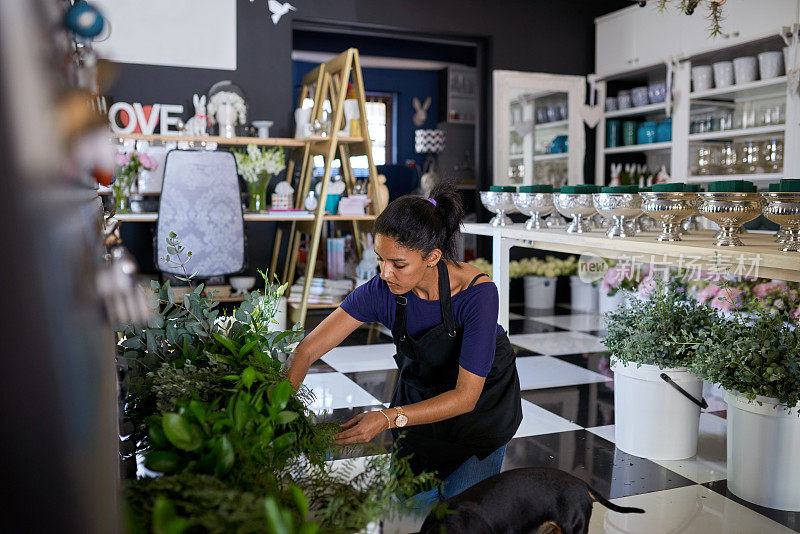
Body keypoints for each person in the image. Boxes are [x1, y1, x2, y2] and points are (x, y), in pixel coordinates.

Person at [287, 181, 522, 507]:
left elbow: (466, 397)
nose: (384, 273)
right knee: (410, 512)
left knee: (462, 516)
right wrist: (274, 413)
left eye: (398, 264)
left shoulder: (476, 293)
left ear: (432, 257)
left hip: (479, 417)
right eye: (380, 259)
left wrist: (387, 418)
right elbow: (307, 350)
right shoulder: (380, 290)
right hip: (418, 407)